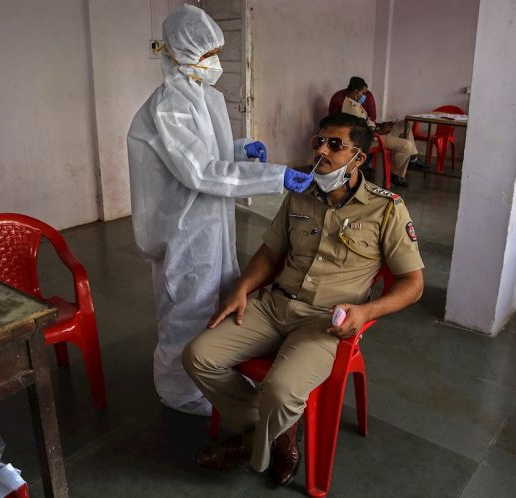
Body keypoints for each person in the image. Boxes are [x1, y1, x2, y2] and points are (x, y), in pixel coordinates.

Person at [183, 113, 424, 485]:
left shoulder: (387, 208)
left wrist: (367, 311)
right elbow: (269, 253)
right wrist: (243, 288)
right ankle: (268, 433)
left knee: (280, 391)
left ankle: (251, 445)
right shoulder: (300, 193)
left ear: (359, 157)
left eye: (334, 145)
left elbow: (413, 283)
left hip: (326, 322)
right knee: (198, 355)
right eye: (318, 142)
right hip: (275, 305)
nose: (321, 151)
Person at [127, 4, 312, 416]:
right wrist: (273, 176)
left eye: (216, 53)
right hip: (183, 224)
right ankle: (178, 390)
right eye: (206, 54)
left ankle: (212, 370)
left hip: (210, 218)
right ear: (180, 53)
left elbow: (207, 154)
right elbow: (198, 171)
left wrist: (241, 149)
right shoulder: (168, 107)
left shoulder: (202, 95)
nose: (214, 63)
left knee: (222, 293)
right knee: (188, 305)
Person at [329, 76, 420, 187]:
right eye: (363, 93)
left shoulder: (353, 103)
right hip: (374, 138)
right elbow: (363, 133)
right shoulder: (350, 108)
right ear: (356, 92)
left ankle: (413, 157)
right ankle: (396, 174)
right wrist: (382, 131)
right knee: (407, 145)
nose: (365, 96)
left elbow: (368, 122)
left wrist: (381, 125)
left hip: (376, 131)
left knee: (406, 124)